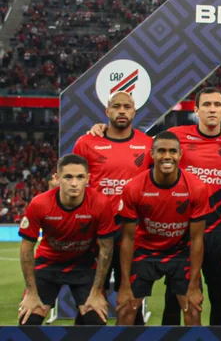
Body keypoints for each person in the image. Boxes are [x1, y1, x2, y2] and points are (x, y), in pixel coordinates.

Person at [163, 87, 221, 325]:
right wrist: (101, 130)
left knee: (219, 302)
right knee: (173, 303)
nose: (211, 109)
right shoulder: (176, 136)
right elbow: (144, 147)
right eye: (206, 105)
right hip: (181, 233)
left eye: (216, 105)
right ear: (196, 109)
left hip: (217, 234)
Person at [73, 91, 152, 325]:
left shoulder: (147, 145)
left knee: (130, 300)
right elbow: (75, 182)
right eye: (116, 106)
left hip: (132, 231)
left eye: (127, 107)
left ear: (134, 112)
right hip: (95, 231)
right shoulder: (86, 142)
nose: (121, 111)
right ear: (107, 112)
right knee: (91, 298)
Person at [116, 131, 210, 325]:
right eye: (161, 151)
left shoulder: (196, 188)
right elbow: (127, 238)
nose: (167, 156)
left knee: (193, 311)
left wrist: (193, 285)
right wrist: (125, 284)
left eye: (172, 151)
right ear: (152, 154)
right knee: (125, 311)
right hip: (145, 251)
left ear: (180, 155)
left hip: (180, 253)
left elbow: (197, 239)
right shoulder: (134, 187)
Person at [18, 154, 117, 325]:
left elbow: (106, 249)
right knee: (28, 321)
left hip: (84, 266)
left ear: (88, 178)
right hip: (48, 265)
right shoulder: (39, 204)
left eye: (80, 177)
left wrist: (95, 292)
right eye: (68, 177)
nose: (74, 183)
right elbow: (26, 249)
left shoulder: (101, 203)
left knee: (96, 322)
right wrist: (31, 293)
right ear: (57, 178)